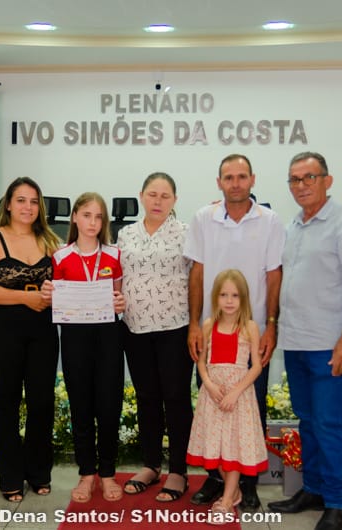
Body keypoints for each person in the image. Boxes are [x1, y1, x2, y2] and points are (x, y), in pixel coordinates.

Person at [266, 152, 342, 530]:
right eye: (294, 179)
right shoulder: (293, 226)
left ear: (327, 180)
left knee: (328, 423)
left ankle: (337, 502)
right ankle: (312, 489)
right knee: (307, 420)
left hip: (330, 344)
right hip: (296, 341)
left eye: (309, 177)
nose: (301, 185)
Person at [185, 153, 285, 511]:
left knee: (250, 410)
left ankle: (247, 482)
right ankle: (216, 478)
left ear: (253, 180)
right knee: (212, 408)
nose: (236, 183)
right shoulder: (203, 218)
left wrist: (271, 323)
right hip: (213, 333)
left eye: (242, 176)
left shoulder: (270, 221)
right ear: (219, 183)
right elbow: (197, 273)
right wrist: (194, 323)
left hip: (251, 335)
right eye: (229, 177)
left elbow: (274, 275)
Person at [0, 177, 61, 501]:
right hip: (2, 329)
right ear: (8, 204)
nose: (28, 207)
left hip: (43, 330)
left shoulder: (51, 240)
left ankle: (39, 472)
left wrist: (54, 295)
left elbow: (66, 286)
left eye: (34, 201)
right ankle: (10, 476)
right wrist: (26, 298)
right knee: (6, 401)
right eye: (21, 200)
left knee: (42, 402)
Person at [117, 172, 193, 502]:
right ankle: (150, 465)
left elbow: (197, 279)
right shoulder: (125, 233)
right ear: (141, 196)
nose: (158, 201)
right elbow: (117, 275)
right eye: (152, 194)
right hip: (134, 328)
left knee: (175, 398)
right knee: (146, 397)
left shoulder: (187, 233)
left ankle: (178, 470)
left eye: (165, 196)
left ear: (175, 200)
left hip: (175, 326)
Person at [52, 192, 126, 503]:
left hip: (109, 336)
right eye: (86, 215)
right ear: (75, 218)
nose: (92, 222)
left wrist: (120, 303)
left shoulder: (114, 255)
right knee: (81, 406)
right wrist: (50, 294)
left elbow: (119, 297)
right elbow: (55, 299)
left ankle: (107, 473)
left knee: (109, 406)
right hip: (74, 338)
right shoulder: (60, 257)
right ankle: (86, 473)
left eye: (98, 217)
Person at [187, 269, 268, 522]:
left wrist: (235, 392)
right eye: (224, 295)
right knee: (215, 449)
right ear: (215, 297)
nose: (229, 301)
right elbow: (201, 362)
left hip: (238, 398)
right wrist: (209, 385)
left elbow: (256, 366)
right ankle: (234, 493)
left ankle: (226, 500)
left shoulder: (250, 327)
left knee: (234, 449)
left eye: (235, 295)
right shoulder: (208, 325)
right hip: (213, 397)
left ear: (244, 298)